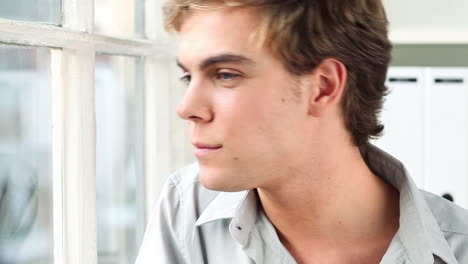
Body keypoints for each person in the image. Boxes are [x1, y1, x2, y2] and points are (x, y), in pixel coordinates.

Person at [136, 0, 468, 263]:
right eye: (187, 77)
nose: (186, 107)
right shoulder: (185, 208)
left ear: (322, 87)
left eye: (225, 75)